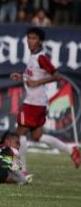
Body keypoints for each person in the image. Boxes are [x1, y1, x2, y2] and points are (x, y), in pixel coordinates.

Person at [10, 27, 80, 173]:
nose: (30, 41)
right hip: (39, 103)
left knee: (20, 133)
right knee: (37, 136)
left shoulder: (41, 57)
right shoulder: (33, 56)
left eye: (34, 38)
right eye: (29, 38)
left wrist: (37, 83)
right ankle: (70, 149)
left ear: (40, 41)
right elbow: (33, 75)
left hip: (33, 103)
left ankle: (22, 169)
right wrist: (22, 76)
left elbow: (57, 75)